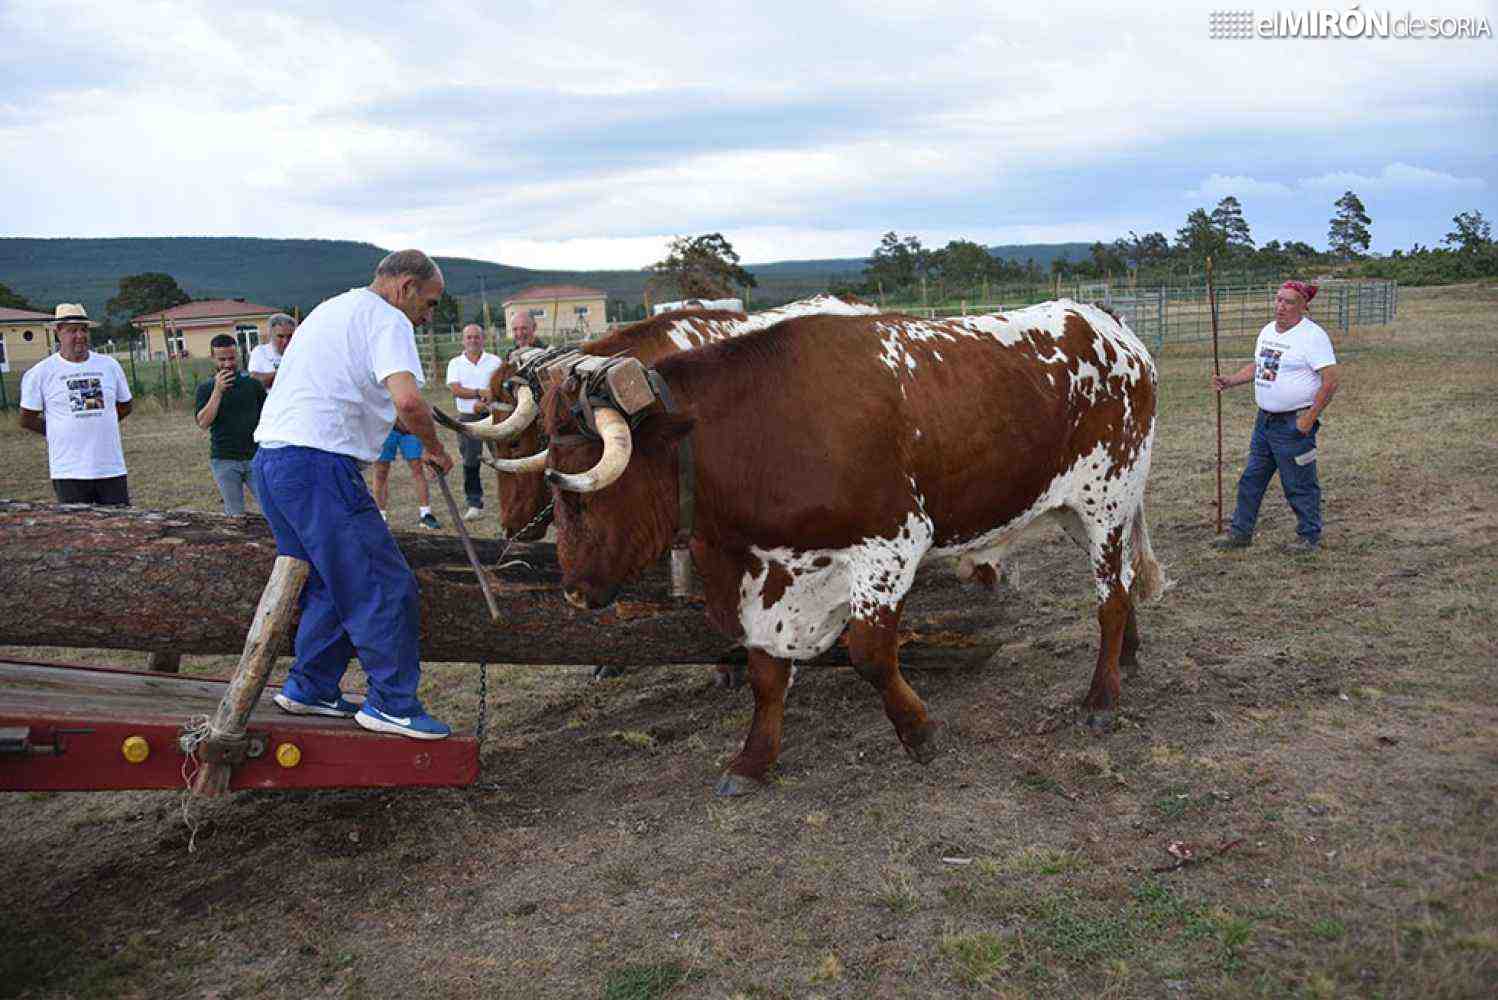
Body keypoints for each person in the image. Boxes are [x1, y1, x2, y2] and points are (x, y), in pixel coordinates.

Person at [253, 250, 455, 740]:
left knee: (329, 579)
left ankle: (313, 686)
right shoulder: (388, 320)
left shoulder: (333, 308)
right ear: (405, 286)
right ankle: (392, 703)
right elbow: (407, 399)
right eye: (428, 303)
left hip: (273, 461)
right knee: (385, 584)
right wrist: (433, 447)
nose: (429, 316)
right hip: (319, 464)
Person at [1212, 280, 1342, 554]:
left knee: (1299, 482)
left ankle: (1309, 537)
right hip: (1265, 423)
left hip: (1293, 424)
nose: (1281, 306)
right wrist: (1231, 380)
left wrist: (1308, 419)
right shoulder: (1268, 331)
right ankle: (1240, 532)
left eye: (1289, 302)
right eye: (1279, 300)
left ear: (1304, 306)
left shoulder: (1312, 336)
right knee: (1251, 479)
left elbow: (1330, 381)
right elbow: (1260, 365)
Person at [18, 303, 134, 505]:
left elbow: (125, 406)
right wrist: (57, 430)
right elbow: (27, 419)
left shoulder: (109, 366)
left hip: (110, 468)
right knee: (78, 531)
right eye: (72, 330)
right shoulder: (41, 373)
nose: (80, 336)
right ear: (58, 333)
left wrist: (99, 422)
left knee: (121, 529)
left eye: (83, 329)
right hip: (69, 471)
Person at [195, 333, 267, 515]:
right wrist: (217, 392)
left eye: (231, 358)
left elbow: (267, 417)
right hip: (224, 459)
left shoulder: (253, 386)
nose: (227, 364)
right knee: (235, 514)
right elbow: (203, 422)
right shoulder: (206, 388)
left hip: (255, 457)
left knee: (270, 508)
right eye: (222, 359)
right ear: (213, 359)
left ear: (239, 356)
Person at [445, 322, 503, 520]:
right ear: (463, 340)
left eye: (476, 336)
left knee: (503, 458)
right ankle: (474, 504)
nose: (473, 340)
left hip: (493, 416)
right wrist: (479, 393)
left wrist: (487, 403)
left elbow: (501, 389)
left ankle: (509, 498)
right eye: (469, 337)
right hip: (468, 418)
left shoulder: (495, 361)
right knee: (470, 461)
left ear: (483, 339)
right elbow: (455, 389)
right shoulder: (455, 363)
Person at [373, 423, 441, 529]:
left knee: (418, 468)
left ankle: (426, 514)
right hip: (384, 428)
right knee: (381, 472)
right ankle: (380, 516)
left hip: (409, 428)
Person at [248, 313, 295, 388]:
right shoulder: (260, 352)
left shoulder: (300, 352)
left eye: (290, 336)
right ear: (270, 335)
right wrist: (287, 372)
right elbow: (255, 382)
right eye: (280, 336)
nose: (285, 341)